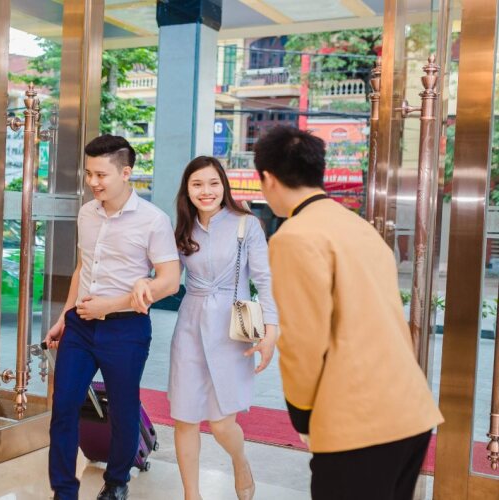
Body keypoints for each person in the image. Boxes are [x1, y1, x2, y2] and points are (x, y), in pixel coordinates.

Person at [254, 126, 444, 500]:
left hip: (358, 421)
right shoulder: (359, 227)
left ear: (268, 179)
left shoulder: (294, 237)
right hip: (411, 412)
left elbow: (303, 343)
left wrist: (303, 415)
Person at [133, 156, 279, 500]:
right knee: (185, 418)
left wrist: (271, 330)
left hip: (233, 326)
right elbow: (167, 278)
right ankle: (191, 495)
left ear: (224, 186)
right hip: (190, 326)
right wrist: (144, 283)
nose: (206, 191)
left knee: (222, 423)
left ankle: (240, 462)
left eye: (213, 183)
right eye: (197, 184)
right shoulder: (182, 231)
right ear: (187, 190)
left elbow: (264, 279)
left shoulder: (247, 225)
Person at [44, 135, 180, 500]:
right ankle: (64, 489)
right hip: (80, 325)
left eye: (101, 175)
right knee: (64, 405)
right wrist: (64, 316)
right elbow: (82, 268)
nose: (93, 182)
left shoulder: (153, 221)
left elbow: (169, 281)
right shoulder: (87, 213)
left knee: (122, 408)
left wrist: (111, 305)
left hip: (126, 329)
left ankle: (117, 481)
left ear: (126, 172)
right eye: (89, 173)